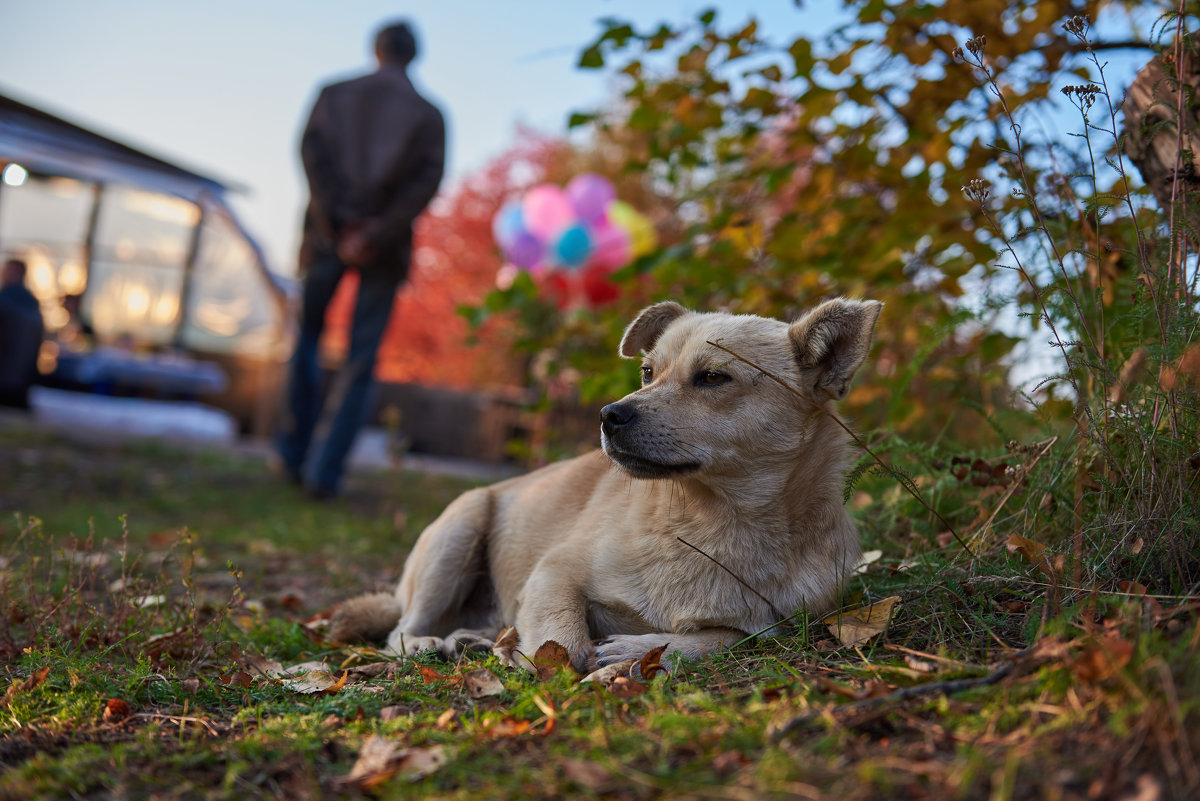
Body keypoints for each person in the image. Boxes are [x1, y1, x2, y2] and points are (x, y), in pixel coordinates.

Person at [277, 20, 446, 499]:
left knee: (307, 339)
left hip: (326, 237)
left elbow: (311, 155)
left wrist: (340, 225)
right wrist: (374, 229)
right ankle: (324, 474)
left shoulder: (334, 93)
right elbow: (425, 183)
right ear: (413, 56)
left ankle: (292, 456)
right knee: (360, 359)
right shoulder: (429, 114)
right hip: (384, 246)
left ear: (375, 50)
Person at [0, 258, 45, 409]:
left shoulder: (6, 299)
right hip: (23, 375)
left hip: (5, 373)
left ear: (15, 273)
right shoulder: (31, 301)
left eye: (5, 270)